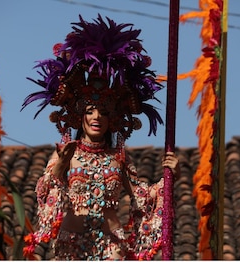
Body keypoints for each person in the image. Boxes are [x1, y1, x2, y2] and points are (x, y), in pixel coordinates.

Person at [20, 15, 179, 260]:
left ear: (112, 118)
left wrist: (169, 179)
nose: (96, 117)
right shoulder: (67, 151)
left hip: (112, 246)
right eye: (90, 110)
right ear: (78, 115)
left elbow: (144, 197)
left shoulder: (119, 157)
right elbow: (43, 192)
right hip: (71, 246)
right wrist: (61, 165)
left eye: (103, 111)